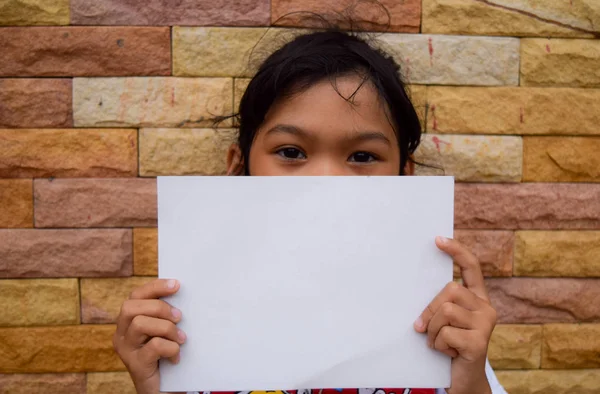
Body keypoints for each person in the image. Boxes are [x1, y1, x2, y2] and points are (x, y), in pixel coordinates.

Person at [114, 30, 507, 394]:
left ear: (405, 175)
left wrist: (471, 383)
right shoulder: (191, 332)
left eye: (363, 156)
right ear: (238, 165)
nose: (326, 179)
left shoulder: (440, 334)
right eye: (291, 152)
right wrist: (156, 385)